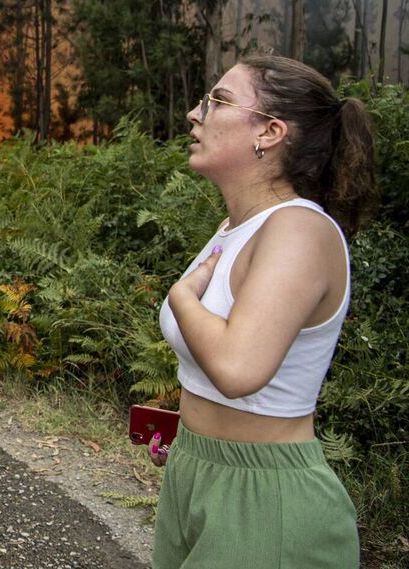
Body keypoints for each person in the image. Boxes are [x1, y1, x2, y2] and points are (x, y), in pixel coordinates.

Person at [150, 55, 375, 569]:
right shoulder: (235, 228)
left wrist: (182, 297)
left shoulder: (299, 229)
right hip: (195, 473)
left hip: (266, 497)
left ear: (271, 132)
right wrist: (193, 448)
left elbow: (237, 369)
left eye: (218, 100)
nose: (194, 113)